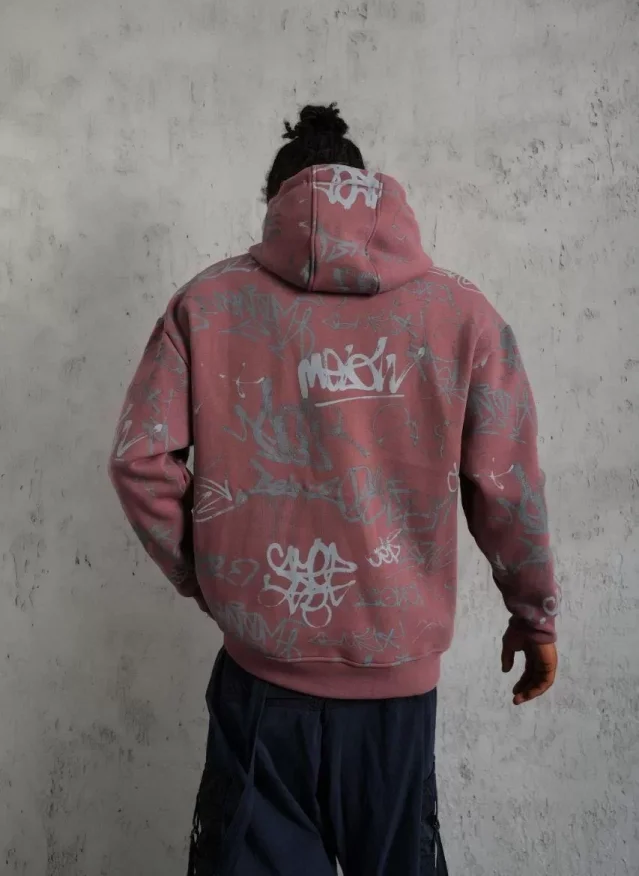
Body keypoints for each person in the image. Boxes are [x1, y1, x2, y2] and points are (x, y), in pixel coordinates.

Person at [109, 104, 558, 876]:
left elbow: (139, 461)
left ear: (276, 204)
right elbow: (506, 483)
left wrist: (208, 575)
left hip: (261, 682)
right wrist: (533, 612)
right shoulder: (462, 315)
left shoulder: (206, 304)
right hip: (396, 694)